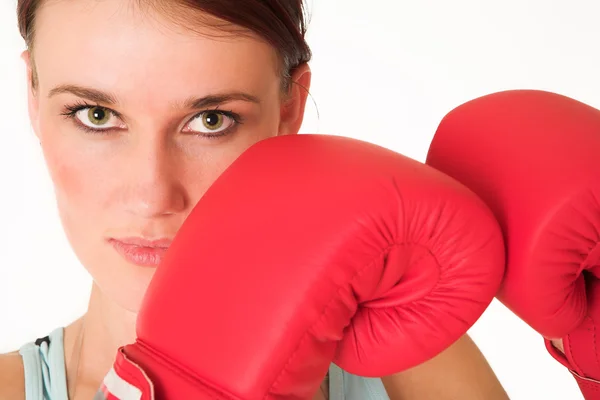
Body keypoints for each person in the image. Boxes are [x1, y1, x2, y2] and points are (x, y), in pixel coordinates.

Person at [0, 0, 509, 399]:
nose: (152, 196)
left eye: (211, 120)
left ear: (289, 111)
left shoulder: (412, 368)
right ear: (33, 100)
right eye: (94, 115)